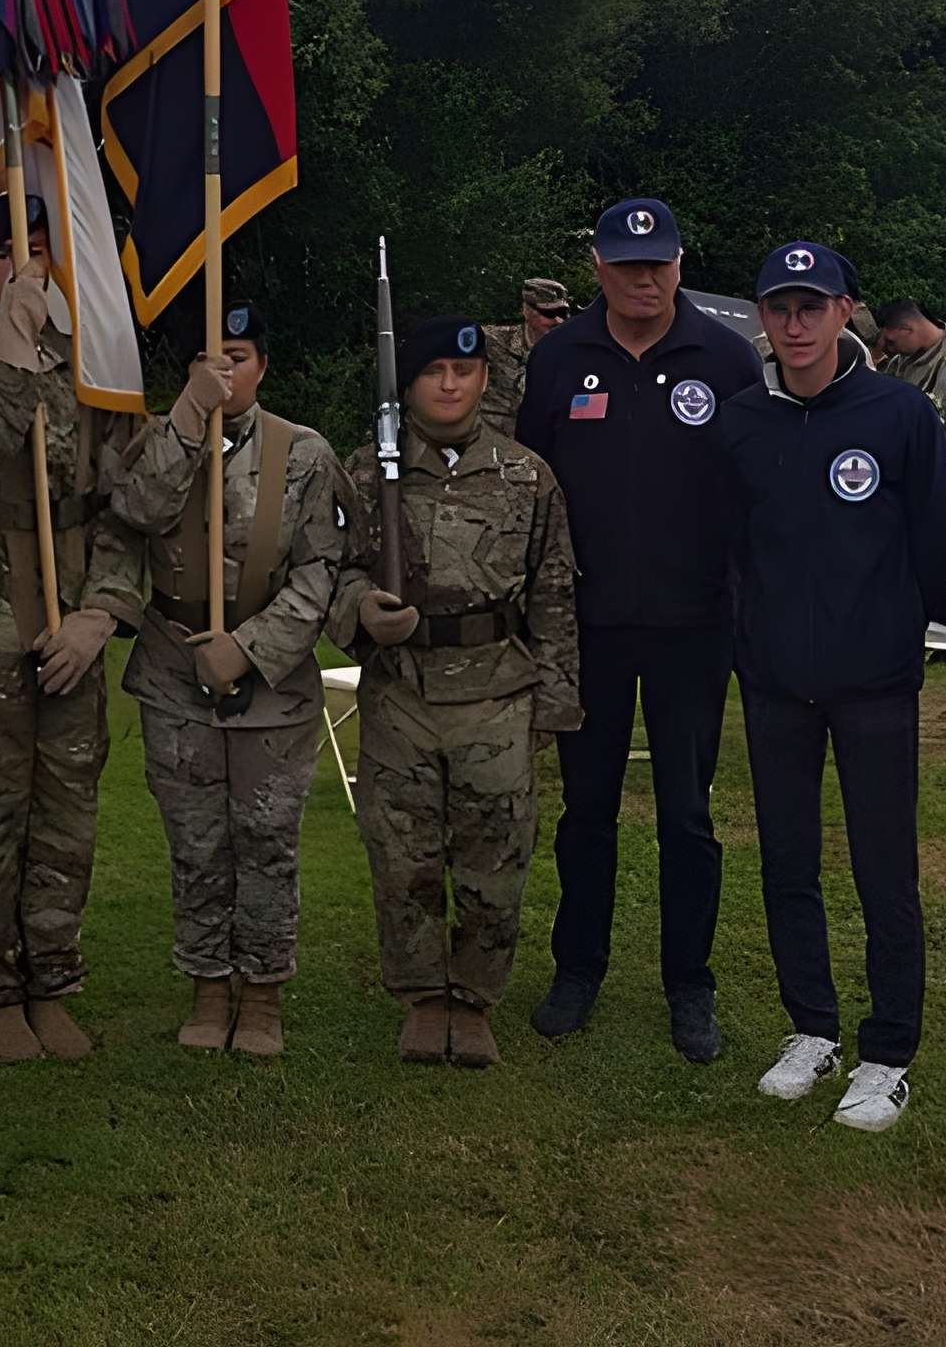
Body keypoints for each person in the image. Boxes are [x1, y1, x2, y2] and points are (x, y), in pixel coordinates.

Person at [514, 198, 765, 1055]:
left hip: (694, 628)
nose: (644, 278)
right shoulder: (557, 358)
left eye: (657, 263)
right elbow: (528, 486)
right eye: (627, 264)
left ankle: (689, 985)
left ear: (681, 265)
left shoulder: (728, 358)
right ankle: (577, 968)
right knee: (586, 810)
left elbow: (752, 493)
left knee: (689, 814)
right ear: (598, 270)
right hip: (587, 627)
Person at [719, 241, 946, 1132]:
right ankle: (811, 1028)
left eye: (813, 305)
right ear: (763, 318)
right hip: (777, 684)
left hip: (875, 685)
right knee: (788, 860)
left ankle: (888, 1052)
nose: (796, 323)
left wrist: (890, 632)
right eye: (780, 307)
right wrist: (755, 641)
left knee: (883, 868)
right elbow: (731, 548)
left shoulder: (899, 414)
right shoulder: (742, 419)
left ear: (847, 311)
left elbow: (934, 545)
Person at [0, 192, 144, 1062]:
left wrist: (103, 612)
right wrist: (12, 352)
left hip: (72, 612)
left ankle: (54, 979)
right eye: (10, 254)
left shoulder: (97, 369)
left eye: (44, 253)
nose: (30, 271)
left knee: (65, 813)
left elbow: (128, 507)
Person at [329, 317, 580, 1067]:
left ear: (484, 380)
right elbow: (330, 568)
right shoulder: (369, 471)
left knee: (494, 852)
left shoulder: (526, 475)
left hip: (497, 692)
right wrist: (359, 614)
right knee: (401, 853)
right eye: (434, 370)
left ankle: (473, 998)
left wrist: (556, 702)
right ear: (407, 383)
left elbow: (555, 591)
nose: (450, 383)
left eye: (464, 371)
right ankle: (420, 994)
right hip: (401, 691)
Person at [109, 301, 349, 1056]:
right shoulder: (157, 441)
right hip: (174, 673)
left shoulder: (304, 454)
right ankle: (208, 985)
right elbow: (135, 510)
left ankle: (266, 991)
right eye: (211, 357)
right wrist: (185, 419)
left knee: (267, 837)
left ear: (262, 366)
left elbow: (321, 571)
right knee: (196, 842)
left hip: (269, 682)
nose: (226, 370)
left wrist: (248, 648)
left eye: (239, 355)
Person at [874, 298, 946, 479]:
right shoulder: (903, 359)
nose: (889, 348)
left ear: (907, 329)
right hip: (909, 468)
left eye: (891, 342)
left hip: (943, 474)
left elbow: (935, 416)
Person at [477, 275, 573, 439]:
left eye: (563, 313)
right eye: (548, 313)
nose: (558, 320)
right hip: (487, 441)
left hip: (540, 446)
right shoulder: (490, 341)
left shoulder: (574, 353)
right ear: (526, 310)